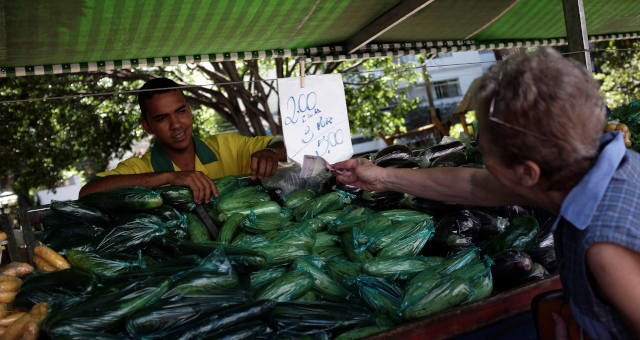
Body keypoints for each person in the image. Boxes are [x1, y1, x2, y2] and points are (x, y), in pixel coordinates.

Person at [333, 48, 640, 339]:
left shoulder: (605, 247)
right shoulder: (590, 170)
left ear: (527, 173)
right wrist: (382, 177)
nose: (477, 149)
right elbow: (473, 185)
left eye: (486, 148)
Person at [79, 78, 287, 203]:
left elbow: (283, 144)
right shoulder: (140, 167)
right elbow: (88, 192)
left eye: (180, 112)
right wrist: (169, 177)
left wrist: (272, 153)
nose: (176, 124)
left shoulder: (227, 146)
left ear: (189, 110)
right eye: (162, 118)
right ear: (147, 126)